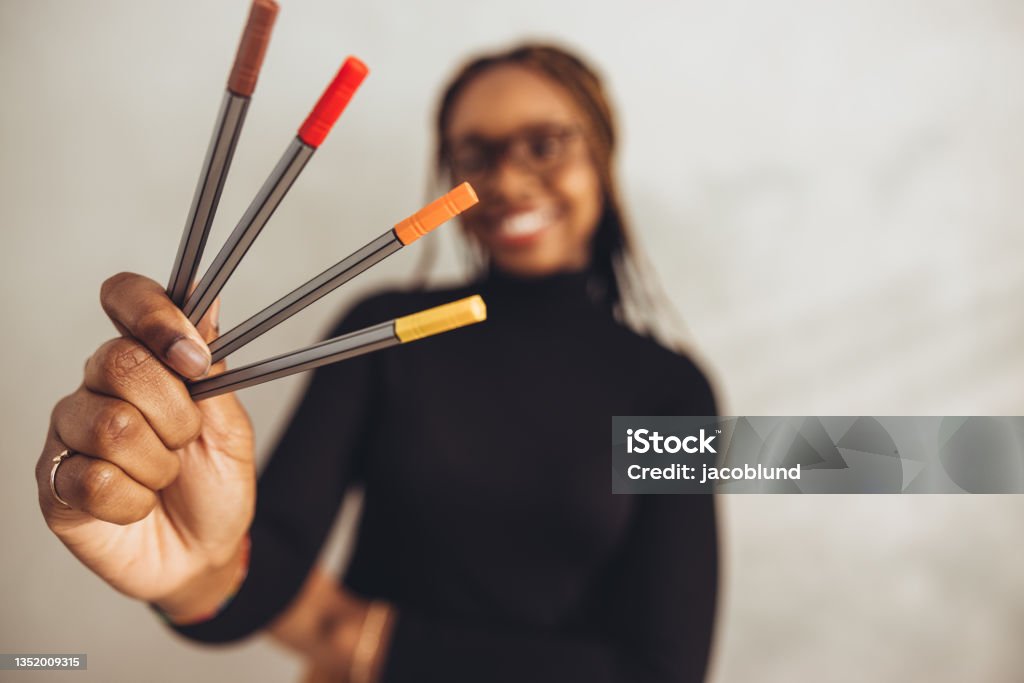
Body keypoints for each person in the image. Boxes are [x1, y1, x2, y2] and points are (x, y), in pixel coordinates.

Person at [36, 44, 719, 682]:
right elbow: (263, 567)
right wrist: (192, 576)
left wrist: (361, 634)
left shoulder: (673, 390)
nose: (508, 178)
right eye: (475, 154)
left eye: (544, 144)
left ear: (601, 150)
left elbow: (666, 666)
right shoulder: (385, 333)